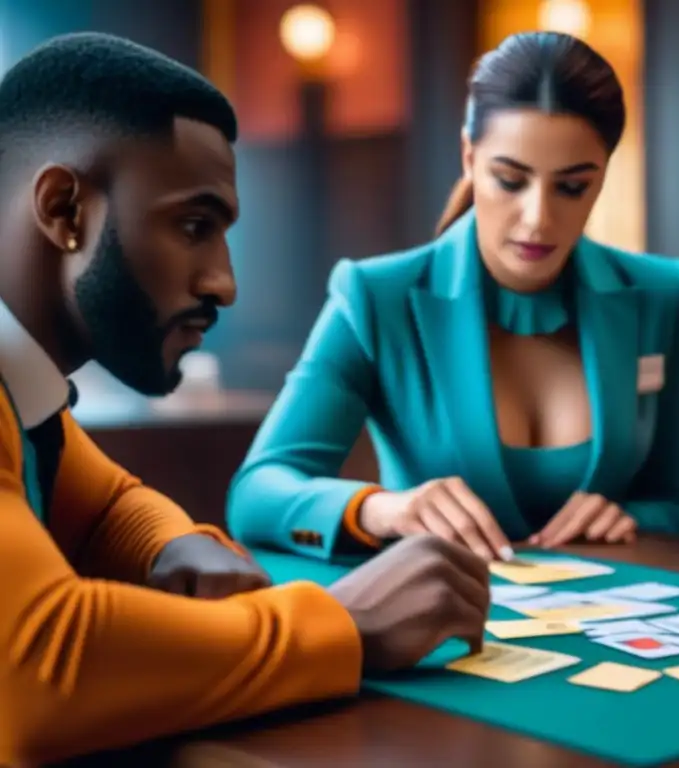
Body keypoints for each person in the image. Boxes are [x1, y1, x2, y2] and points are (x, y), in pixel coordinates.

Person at [0, 33, 489, 766]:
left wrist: (173, 543)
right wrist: (344, 624)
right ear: (65, 210)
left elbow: (106, 505)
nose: (224, 283)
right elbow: (36, 673)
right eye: (194, 227)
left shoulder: (25, 393)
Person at [226, 31, 679, 564]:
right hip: (439, 618)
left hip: (617, 620)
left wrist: (630, 517)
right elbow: (256, 495)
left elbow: (668, 501)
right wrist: (383, 509)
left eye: (571, 187)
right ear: (469, 157)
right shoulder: (377, 297)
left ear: (603, 176)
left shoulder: (663, 294)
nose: (538, 218)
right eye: (510, 180)